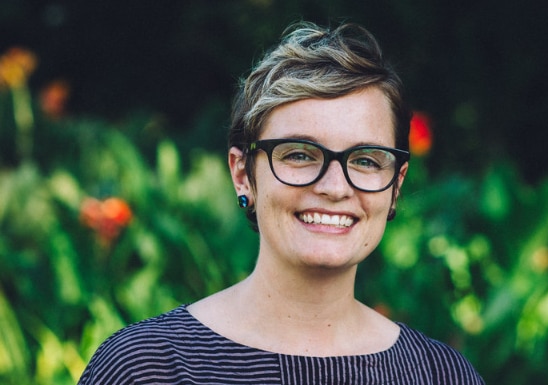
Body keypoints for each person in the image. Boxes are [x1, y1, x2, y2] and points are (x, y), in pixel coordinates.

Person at [78, 21, 485, 384]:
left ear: (396, 184)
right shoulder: (147, 367)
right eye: (300, 154)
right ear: (243, 174)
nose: (334, 186)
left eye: (364, 160)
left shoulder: (440, 374)